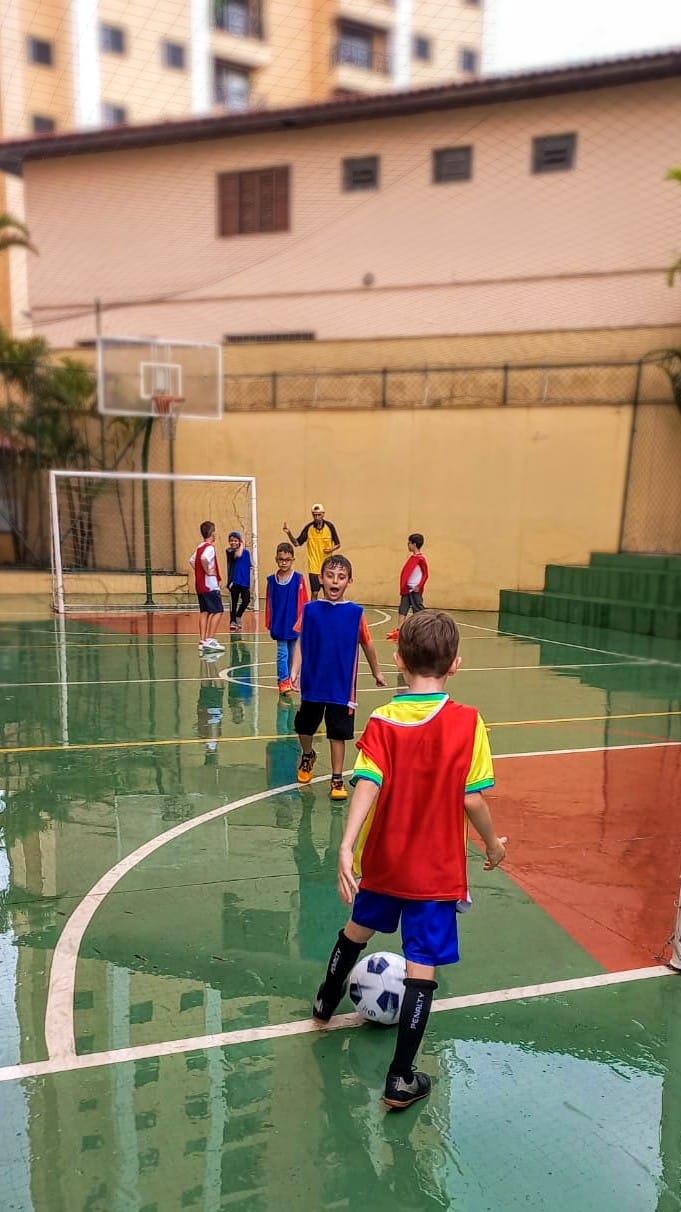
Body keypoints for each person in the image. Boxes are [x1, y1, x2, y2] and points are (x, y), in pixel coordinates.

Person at [311, 610, 507, 1111]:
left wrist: (346, 845)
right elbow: (471, 799)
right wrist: (492, 845)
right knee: (422, 966)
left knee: (356, 930)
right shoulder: (468, 722)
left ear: (397, 661)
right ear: (456, 664)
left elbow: (367, 783)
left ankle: (326, 1000)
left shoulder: (382, 720)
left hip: (385, 859)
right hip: (435, 872)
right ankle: (400, 1078)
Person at [289, 554, 386, 801]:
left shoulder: (355, 613)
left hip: (341, 687)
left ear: (349, 581)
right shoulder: (310, 610)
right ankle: (308, 755)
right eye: (330, 576)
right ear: (321, 578)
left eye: (341, 577)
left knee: (337, 733)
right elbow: (301, 641)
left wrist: (376, 671)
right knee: (304, 727)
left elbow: (367, 644)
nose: (335, 581)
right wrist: (295, 670)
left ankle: (337, 777)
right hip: (313, 683)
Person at [265, 542, 308, 694]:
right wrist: (269, 621)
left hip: (294, 623)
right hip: (279, 624)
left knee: (293, 654)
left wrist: (304, 621)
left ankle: (291, 679)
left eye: (287, 560)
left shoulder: (298, 579)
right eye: (281, 559)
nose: (284, 562)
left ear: (292, 560)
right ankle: (283, 680)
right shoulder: (272, 581)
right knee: (282, 653)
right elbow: (269, 602)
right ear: (276, 559)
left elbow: (304, 601)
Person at [283, 504, 341, 599]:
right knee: (314, 592)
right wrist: (289, 533)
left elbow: (338, 544)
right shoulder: (309, 528)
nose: (316, 517)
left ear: (323, 514)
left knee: (328, 592)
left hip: (327, 566)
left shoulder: (330, 526)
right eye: (314, 515)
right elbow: (297, 543)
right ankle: (312, 608)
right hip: (313, 567)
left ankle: (328, 608)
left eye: (319, 515)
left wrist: (331, 549)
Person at [189, 520, 225, 653]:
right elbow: (204, 559)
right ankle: (210, 639)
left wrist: (199, 572)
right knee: (218, 611)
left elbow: (192, 560)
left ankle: (202, 640)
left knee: (204, 612)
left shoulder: (200, 547)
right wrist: (207, 571)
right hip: (209, 586)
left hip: (200, 586)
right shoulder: (209, 548)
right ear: (213, 533)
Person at [386, 533, 429, 642]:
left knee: (418, 610)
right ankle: (399, 631)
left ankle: (422, 630)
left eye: (409, 543)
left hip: (415, 590)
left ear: (414, 544)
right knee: (402, 609)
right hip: (407, 589)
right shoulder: (412, 558)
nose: (408, 545)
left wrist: (419, 586)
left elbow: (425, 575)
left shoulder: (421, 559)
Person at [226, 531, 252, 632]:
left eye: (235, 541)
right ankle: (232, 621)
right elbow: (238, 555)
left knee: (246, 600)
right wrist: (242, 543)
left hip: (244, 582)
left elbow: (249, 565)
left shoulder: (246, 553)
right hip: (234, 581)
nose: (233, 542)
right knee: (234, 602)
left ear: (239, 541)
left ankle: (238, 615)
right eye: (231, 541)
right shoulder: (229, 551)